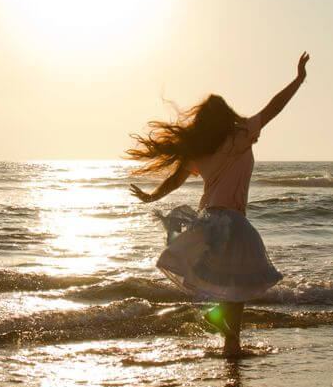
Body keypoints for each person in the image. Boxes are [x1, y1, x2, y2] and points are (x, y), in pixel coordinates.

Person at [127, 52, 310, 356]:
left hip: (208, 223)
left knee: (220, 285)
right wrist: (299, 79)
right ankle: (228, 341)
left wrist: (151, 197)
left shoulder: (201, 150)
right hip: (233, 224)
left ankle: (226, 340)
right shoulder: (241, 136)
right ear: (227, 115)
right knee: (235, 291)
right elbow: (274, 107)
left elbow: (175, 180)